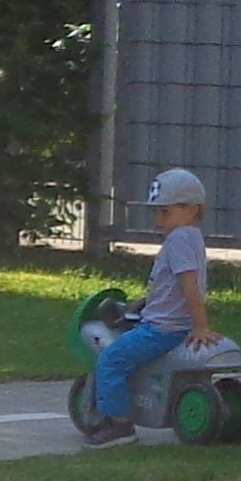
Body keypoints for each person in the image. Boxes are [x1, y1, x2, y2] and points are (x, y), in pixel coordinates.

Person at [80, 169, 215, 444]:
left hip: (162, 328)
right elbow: (174, 287)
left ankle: (119, 426)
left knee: (110, 360)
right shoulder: (191, 236)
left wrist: (201, 326)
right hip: (172, 322)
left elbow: (189, 286)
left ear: (191, 209)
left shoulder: (177, 240)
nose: (158, 219)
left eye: (164, 212)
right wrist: (145, 303)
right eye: (156, 212)